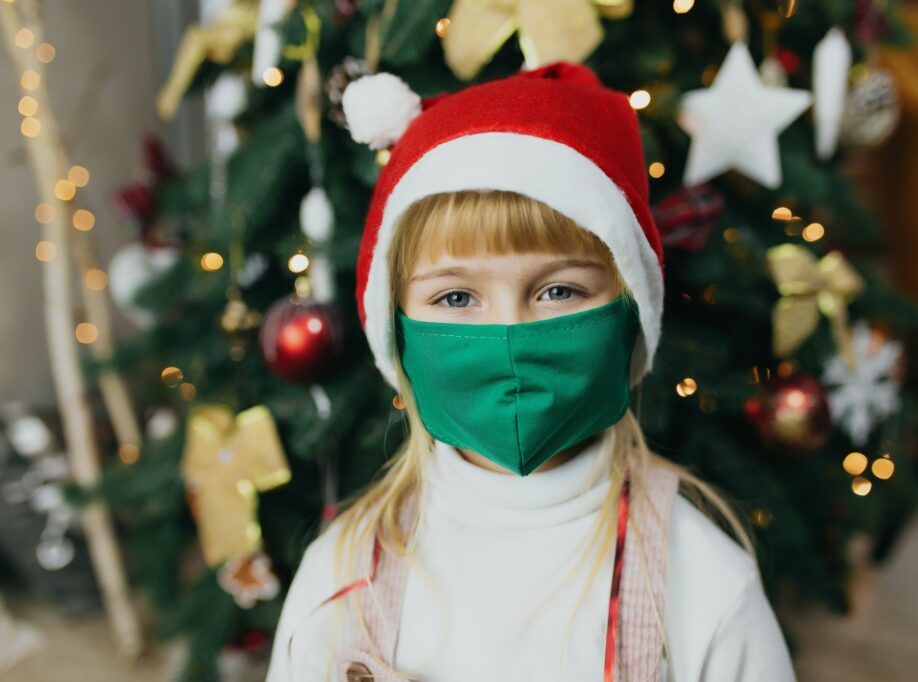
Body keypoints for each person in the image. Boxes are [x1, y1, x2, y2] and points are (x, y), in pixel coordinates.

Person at [266, 61, 796, 682]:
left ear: (631, 319)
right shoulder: (338, 580)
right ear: (397, 335)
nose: (510, 338)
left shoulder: (706, 588)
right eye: (457, 298)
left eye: (559, 292)